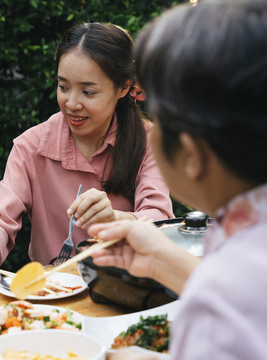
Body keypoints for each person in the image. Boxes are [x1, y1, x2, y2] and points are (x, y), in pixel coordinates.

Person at [88, 1, 267, 359]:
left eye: (157, 113)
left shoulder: (214, 307)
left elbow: (227, 303)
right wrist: (162, 261)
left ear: (189, 155)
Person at [0, 22, 174, 281]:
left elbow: (160, 220)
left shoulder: (149, 141)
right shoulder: (30, 147)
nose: (71, 103)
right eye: (63, 87)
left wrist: (115, 218)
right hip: (51, 297)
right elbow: (2, 217)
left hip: (127, 292)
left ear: (124, 88)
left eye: (88, 91)